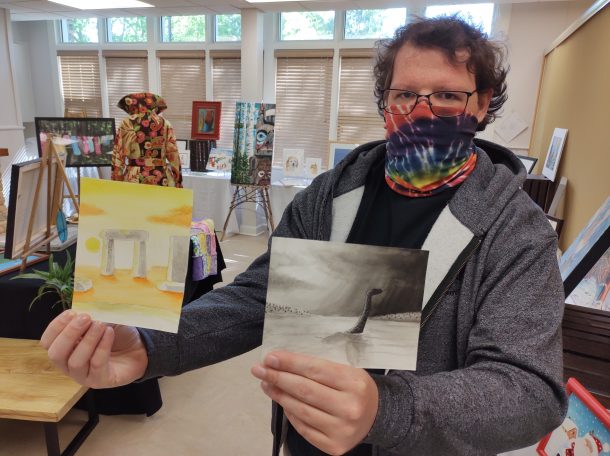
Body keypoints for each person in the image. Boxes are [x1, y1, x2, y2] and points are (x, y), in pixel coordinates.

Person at [41, 16, 567, 455]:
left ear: (481, 103)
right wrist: (150, 348)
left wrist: (386, 407)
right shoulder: (331, 195)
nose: (422, 112)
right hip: (304, 442)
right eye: (405, 94)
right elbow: (259, 299)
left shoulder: (515, 230)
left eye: (448, 96)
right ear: (385, 101)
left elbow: (528, 389)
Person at [111, 92, 183, 187]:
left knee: (135, 202)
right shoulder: (165, 123)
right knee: (160, 202)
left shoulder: (126, 122)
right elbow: (173, 155)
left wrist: (116, 181)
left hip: (134, 177)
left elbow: (118, 155)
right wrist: (178, 181)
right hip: (161, 177)